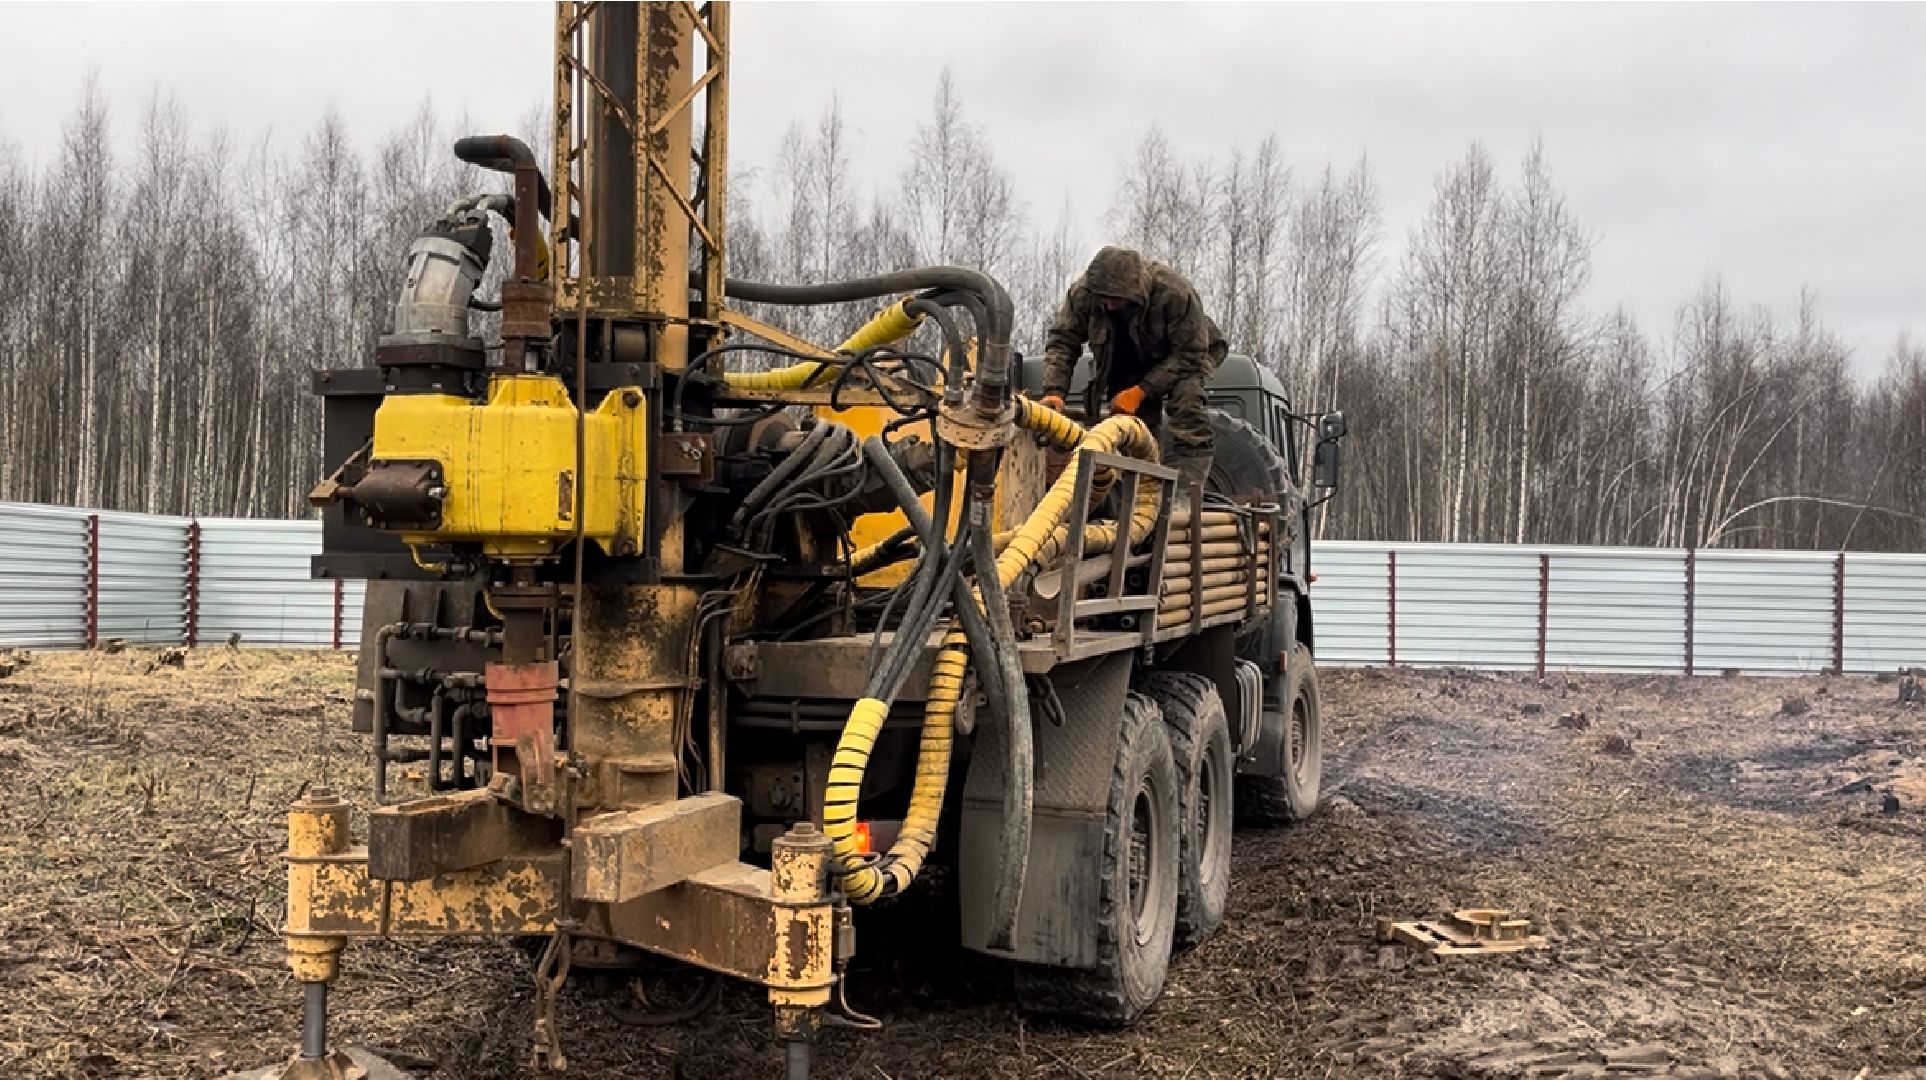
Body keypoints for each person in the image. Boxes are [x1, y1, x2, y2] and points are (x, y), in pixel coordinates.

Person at [1039, 246, 1228, 489]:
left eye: (1115, 298)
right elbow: (1063, 341)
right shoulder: (1084, 294)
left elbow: (1190, 355)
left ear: (1135, 290)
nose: (1109, 305)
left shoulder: (1174, 292)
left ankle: (1185, 493)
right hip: (1129, 359)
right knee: (1130, 425)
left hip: (1190, 352)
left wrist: (1141, 391)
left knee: (1187, 401)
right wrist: (1054, 391)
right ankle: (1138, 494)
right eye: (1103, 298)